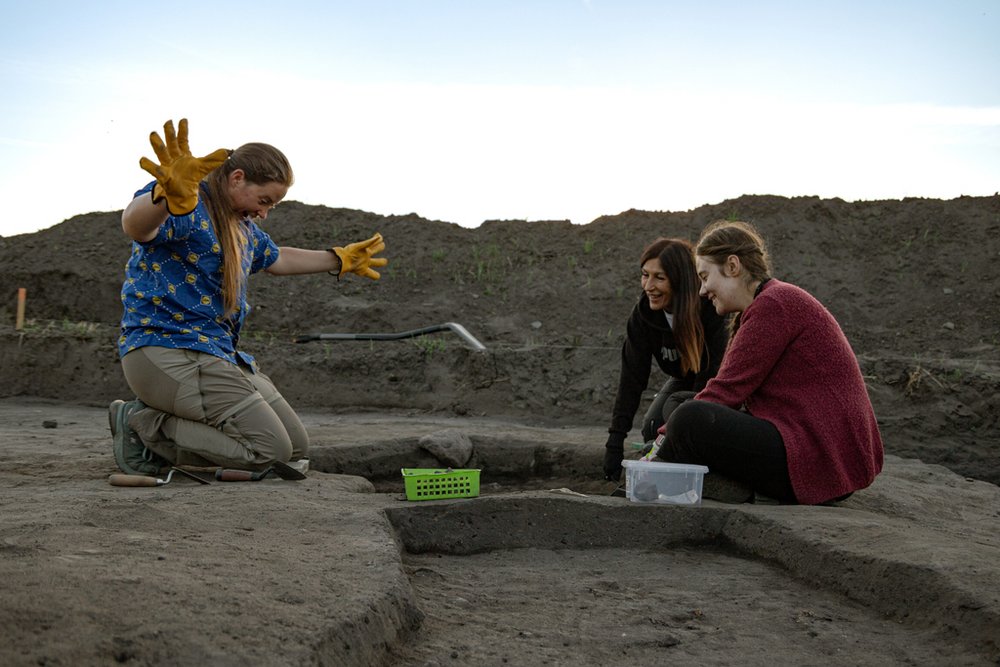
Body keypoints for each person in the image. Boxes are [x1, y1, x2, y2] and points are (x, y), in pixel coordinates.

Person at [110, 118, 387, 476]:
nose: (264, 212)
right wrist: (162, 199)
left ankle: (173, 432)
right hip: (165, 350)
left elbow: (278, 258)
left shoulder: (242, 229)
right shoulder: (186, 202)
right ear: (237, 178)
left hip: (215, 352)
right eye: (264, 200)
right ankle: (142, 422)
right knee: (269, 452)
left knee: (296, 450)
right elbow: (136, 226)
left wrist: (339, 259)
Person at [658, 220, 883, 505]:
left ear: (732, 266)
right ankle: (721, 485)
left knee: (688, 420)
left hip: (819, 457)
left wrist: (661, 443)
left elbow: (727, 392)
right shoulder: (767, 303)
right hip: (803, 441)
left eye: (705, 277)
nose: (703, 291)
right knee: (679, 404)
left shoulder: (774, 304)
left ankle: (658, 484)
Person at [603, 237, 730, 482]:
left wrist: (683, 424)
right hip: (683, 377)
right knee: (653, 425)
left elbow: (710, 376)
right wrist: (614, 442)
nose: (648, 286)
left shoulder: (711, 310)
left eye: (659, 278)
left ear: (680, 280)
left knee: (677, 416)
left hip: (719, 384)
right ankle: (661, 471)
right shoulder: (643, 317)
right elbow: (631, 379)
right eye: (644, 275)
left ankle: (705, 474)